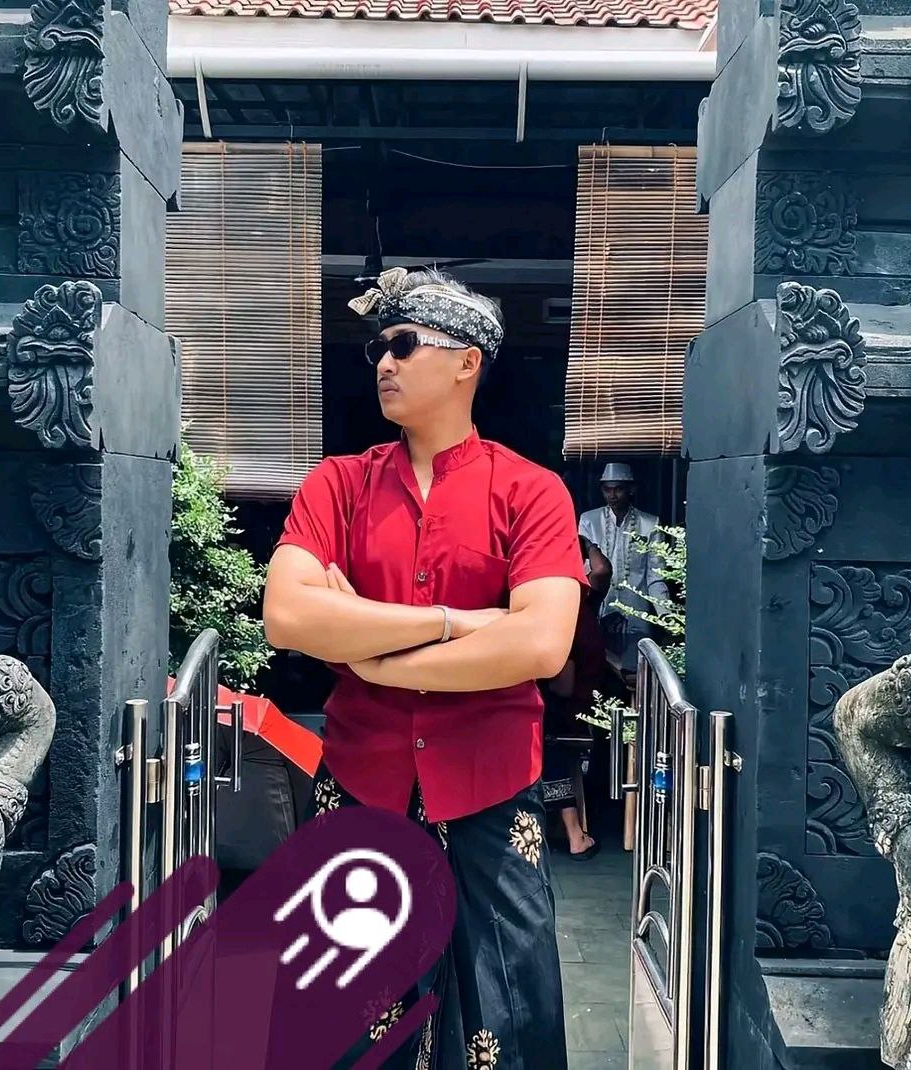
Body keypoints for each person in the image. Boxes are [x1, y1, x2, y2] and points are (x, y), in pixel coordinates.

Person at [263, 267, 586, 1070]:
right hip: (361, 779)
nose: (384, 361)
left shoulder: (532, 491)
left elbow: (541, 645)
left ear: (467, 361)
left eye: (404, 345)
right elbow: (289, 615)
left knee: (507, 1017)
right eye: (378, 347)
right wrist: (454, 623)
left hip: (489, 784)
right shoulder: (338, 484)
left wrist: (369, 657)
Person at [540, 540, 607, 861]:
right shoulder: (583, 599)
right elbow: (601, 570)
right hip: (584, 705)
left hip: (572, 712)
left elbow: (563, 687)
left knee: (540, 732)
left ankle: (574, 834)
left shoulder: (565, 613)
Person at [579, 462, 670, 688]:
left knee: (635, 678)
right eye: (607, 489)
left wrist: (665, 616)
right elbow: (585, 568)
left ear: (631, 489)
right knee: (597, 676)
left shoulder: (650, 523)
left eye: (618, 488)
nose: (612, 495)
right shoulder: (589, 520)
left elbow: (655, 576)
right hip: (601, 610)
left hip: (637, 616)